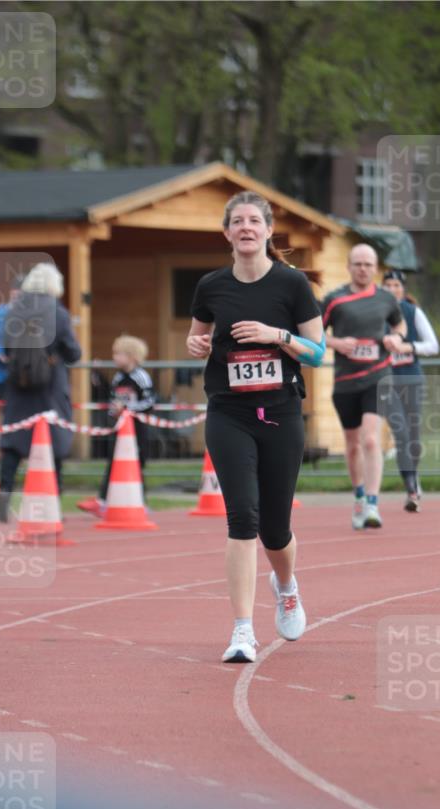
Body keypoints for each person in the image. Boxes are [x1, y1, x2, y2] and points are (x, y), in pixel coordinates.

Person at [187, 190, 325, 663]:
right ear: (226, 232)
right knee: (242, 517)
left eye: (254, 221)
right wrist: (196, 344)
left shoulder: (292, 285)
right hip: (229, 412)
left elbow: (319, 352)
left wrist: (277, 336)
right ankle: (242, 630)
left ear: (268, 231)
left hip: (281, 413)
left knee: (275, 528)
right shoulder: (211, 286)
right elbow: (198, 333)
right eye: (237, 221)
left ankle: (285, 586)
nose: (246, 228)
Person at [321, 244, 406, 530]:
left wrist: (396, 339)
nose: (363, 269)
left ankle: (372, 503)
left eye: (368, 265)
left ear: (375, 268)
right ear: (348, 266)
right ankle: (358, 494)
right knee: (352, 444)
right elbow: (313, 335)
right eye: (358, 264)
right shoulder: (334, 300)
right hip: (345, 382)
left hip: (378, 377)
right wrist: (337, 343)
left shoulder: (386, 299)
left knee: (371, 439)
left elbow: (400, 326)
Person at [0, 263, 81, 522]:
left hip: (17, 384)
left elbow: (7, 348)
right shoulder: (58, 312)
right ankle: (52, 502)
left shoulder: (14, 311)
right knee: (52, 443)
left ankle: (4, 497)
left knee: (12, 444)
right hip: (49, 387)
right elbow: (73, 353)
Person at [77, 334, 155, 517]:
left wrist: (128, 410)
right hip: (120, 429)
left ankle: (140, 502)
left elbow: (150, 402)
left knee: (136, 465)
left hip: (137, 429)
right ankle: (103, 500)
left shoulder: (141, 377)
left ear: (132, 356)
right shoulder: (118, 378)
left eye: (118, 354)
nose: (114, 358)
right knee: (113, 463)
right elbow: (112, 399)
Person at [382, 269, 440, 512]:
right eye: (388, 285)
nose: (393, 289)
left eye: (397, 285)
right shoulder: (374, 312)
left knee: (413, 436)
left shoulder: (412, 312)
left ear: (403, 289)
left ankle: (414, 477)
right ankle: (411, 489)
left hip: (412, 379)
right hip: (386, 381)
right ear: (381, 288)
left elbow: (433, 346)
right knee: (401, 433)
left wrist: (406, 346)